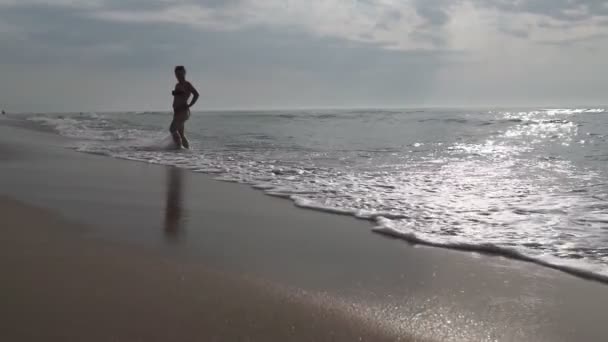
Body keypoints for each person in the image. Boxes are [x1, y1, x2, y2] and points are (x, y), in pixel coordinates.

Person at [171, 65, 199, 149]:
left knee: (172, 129)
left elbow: (196, 94)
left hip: (183, 111)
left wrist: (190, 105)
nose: (178, 76)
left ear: (184, 73)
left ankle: (178, 149)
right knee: (181, 134)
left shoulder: (187, 84)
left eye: (180, 74)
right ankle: (187, 152)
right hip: (177, 112)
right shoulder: (177, 85)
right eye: (177, 74)